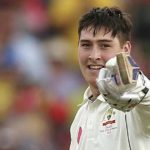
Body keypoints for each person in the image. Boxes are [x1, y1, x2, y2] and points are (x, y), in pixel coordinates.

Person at [69, 6, 150, 150]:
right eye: (86, 45)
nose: (94, 56)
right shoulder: (80, 116)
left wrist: (135, 86)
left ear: (125, 50)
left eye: (104, 45)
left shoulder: (136, 104)